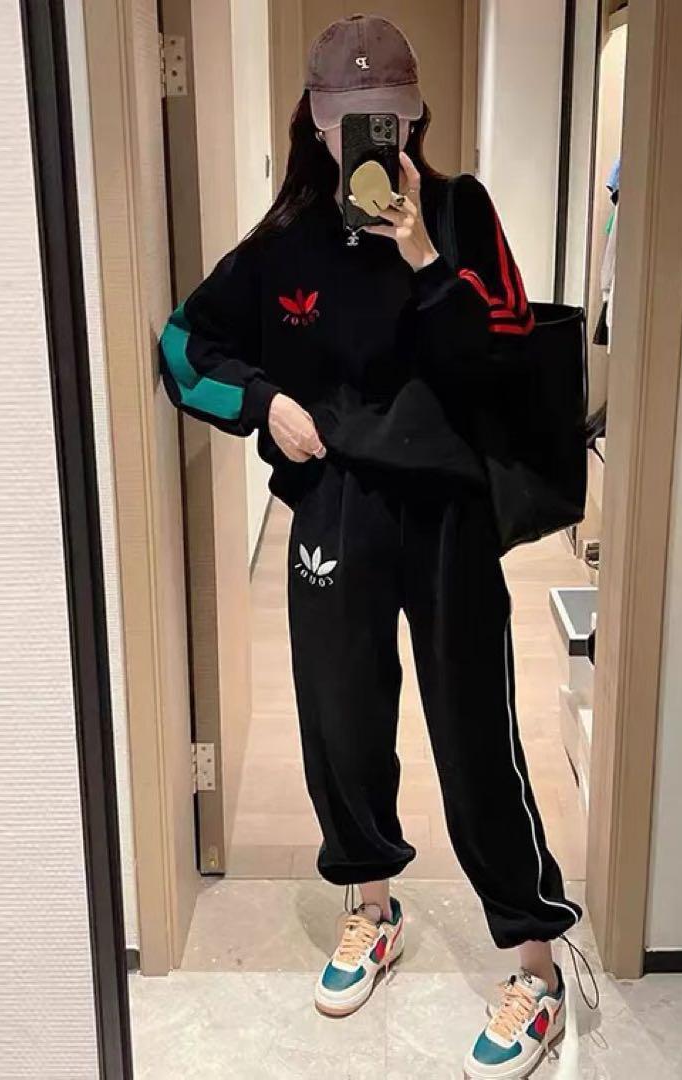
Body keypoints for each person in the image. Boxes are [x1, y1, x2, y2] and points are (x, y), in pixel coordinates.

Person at [159, 15, 584, 1078]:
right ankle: (373, 907)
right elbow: (182, 346)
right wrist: (263, 403)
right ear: (315, 120)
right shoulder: (283, 244)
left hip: (448, 514)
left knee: (476, 734)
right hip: (336, 507)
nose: (368, 138)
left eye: (385, 118)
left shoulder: (462, 211)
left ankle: (535, 962)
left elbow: (502, 359)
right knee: (341, 722)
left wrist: (425, 256)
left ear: (415, 115)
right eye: (349, 120)